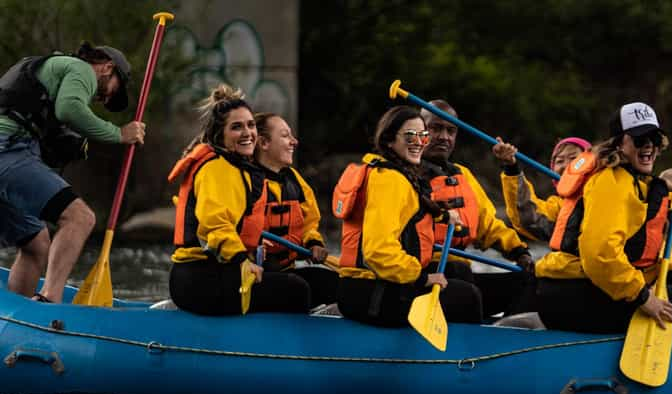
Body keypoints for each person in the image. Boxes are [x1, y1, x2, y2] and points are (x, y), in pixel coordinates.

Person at [533, 102, 672, 333]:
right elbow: (599, 255)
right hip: (567, 294)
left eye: (654, 138)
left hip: (591, 283)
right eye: (640, 139)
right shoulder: (609, 183)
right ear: (619, 144)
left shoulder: (634, 179)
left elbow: (644, 212)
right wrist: (643, 297)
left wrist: (661, 182)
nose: (649, 146)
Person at [0, 42, 146, 303]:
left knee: (36, 243)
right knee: (80, 218)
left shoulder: (53, 71)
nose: (106, 99)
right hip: (7, 149)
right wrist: (119, 133)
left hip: (13, 151)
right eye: (115, 90)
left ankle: (18, 316)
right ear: (107, 68)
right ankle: (49, 301)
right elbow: (69, 109)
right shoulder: (81, 70)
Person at [167, 85, 312, 316]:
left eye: (250, 125)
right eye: (236, 127)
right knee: (295, 290)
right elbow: (215, 225)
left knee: (311, 282)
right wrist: (242, 261)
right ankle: (279, 349)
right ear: (220, 135)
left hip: (226, 268)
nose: (247, 133)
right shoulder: (215, 168)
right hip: (197, 277)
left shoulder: (240, 168)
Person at [334, 105, 482, 327]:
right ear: (389, 141)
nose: (419, 142)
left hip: (376, 285)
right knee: (467, 296)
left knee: (457, 270)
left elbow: (412, 215)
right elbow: (378, 252)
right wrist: (423, 278)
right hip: (371, 293)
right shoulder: (389, 180)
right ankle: (472, 357)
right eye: (410, 135)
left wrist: (443, 217)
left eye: (423, 135)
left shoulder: (399, 175)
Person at [419, 100, 536, 318]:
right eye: (435, 128)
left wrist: (519, 252)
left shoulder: (462, 175)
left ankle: (504, 339)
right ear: (419, 131)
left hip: (460, 274)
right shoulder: (405, 174)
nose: (444, 137)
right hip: (421, 276)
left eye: (451, 130)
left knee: (529, 281)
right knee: (463, 281)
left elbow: (488, 224)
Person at [253, 112, 338, 308]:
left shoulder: (293, 180)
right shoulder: (247, 181)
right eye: (285, 136)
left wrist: (313, 243)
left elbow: (309, 222)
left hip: (284, 271)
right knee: (297, 288)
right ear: (264, 143)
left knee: (334, 284)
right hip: (252, 275)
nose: (294, 141)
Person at [496, 136, 592, 242]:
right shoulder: (558, 207)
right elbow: (528, 219)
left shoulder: (605, 194)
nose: (565, 165)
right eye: (560, 161)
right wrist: (511, 167)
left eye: (574, 159)